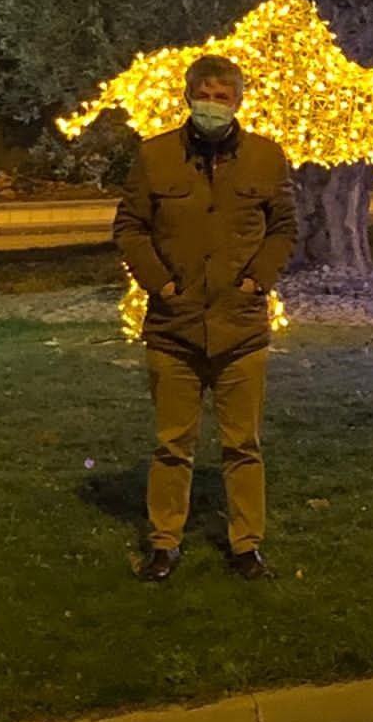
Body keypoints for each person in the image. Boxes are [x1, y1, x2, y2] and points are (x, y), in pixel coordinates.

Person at [113, 54, 297, 582]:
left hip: (241, 329)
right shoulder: (154, 157)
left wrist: (255, 281)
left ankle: (247, 545)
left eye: (224, 96)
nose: (213, 105)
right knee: (173, 444)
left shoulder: (266, 157)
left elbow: (283, 228)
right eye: (206, 94)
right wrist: (162, 284)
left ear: (238, 101)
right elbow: (129, 228)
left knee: (244, 444)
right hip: (174, 328)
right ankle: (164, 542)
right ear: (188, 96)